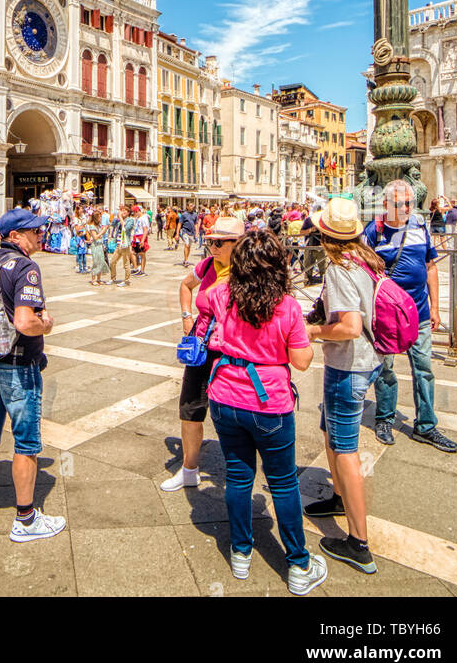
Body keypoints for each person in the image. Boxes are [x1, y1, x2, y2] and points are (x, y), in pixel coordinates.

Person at [205, 229, 326, 595]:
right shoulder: (287, 305)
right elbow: (302, 361)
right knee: (283, 483)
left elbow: (204, 301)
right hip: (268, 404)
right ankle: (299, 565)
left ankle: (240, 552)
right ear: (278, 265)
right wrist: (305, 333)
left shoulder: (220, 295)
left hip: (224, 397)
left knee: (239, 478)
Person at [0, 207, 65, 542]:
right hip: (19, 367)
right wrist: (46, 325)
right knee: (26, 443)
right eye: (33, 231)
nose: (40, 234)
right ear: (14, 236)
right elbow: (24, 322)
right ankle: (25, 518)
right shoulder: (25, 267)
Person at [303, 197, 385, 575]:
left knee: (345, 448)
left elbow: (350, 327)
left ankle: (358, 542)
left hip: (349, 366)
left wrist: (312, 331)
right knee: (328, 431)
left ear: (325, 234)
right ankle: (337, 497)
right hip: (367, 362)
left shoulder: (339, 269)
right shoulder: (367, 261)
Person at [364, 181, 457, 454]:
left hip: (419, 312)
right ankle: (384, 419)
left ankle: (426, 426)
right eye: (400, 204)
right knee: (386, 370)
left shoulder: (419, 227)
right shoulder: (374, 233)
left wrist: (436, 307)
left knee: (424, 369)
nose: (406, 208)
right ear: (385, 205)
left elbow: (430, 268)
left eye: (409, 203)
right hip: (387, 316)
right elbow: (366, 275)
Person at [161, 214, 243, 492]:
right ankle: (189, 469)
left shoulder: (248, 272)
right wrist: (187, 316)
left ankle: (238, 476)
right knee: (191, 407)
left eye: (220, 242)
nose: (213, 247)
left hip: (233, 351)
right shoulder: (207, 265)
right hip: (202, 346)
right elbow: (185, 285)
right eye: (210, 241)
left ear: (238, 243)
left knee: (233, 412)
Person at [108, 206, 135, 286]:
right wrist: (116, 217)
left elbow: (126, 228)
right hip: (119, 244)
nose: (123, 212)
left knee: (126, 263)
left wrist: (120, 217)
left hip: (125, 245)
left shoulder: (130, 220)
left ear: (128, 212)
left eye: (125, 211)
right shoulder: (120, 220)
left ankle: (126, 280)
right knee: (112, 262)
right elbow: (112, 224)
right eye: (122, 211)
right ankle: (113, 278)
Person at [87, 209, 108, 287]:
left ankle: (99, 279)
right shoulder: (92, 226)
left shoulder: (98, 225)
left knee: (101, 261)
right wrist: (102, 231)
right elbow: (95, 237)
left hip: (100, 244)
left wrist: (103, 230)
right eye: (99, 217)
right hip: (95, 245)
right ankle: (93, 279)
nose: (100, 218)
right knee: (96, 261)